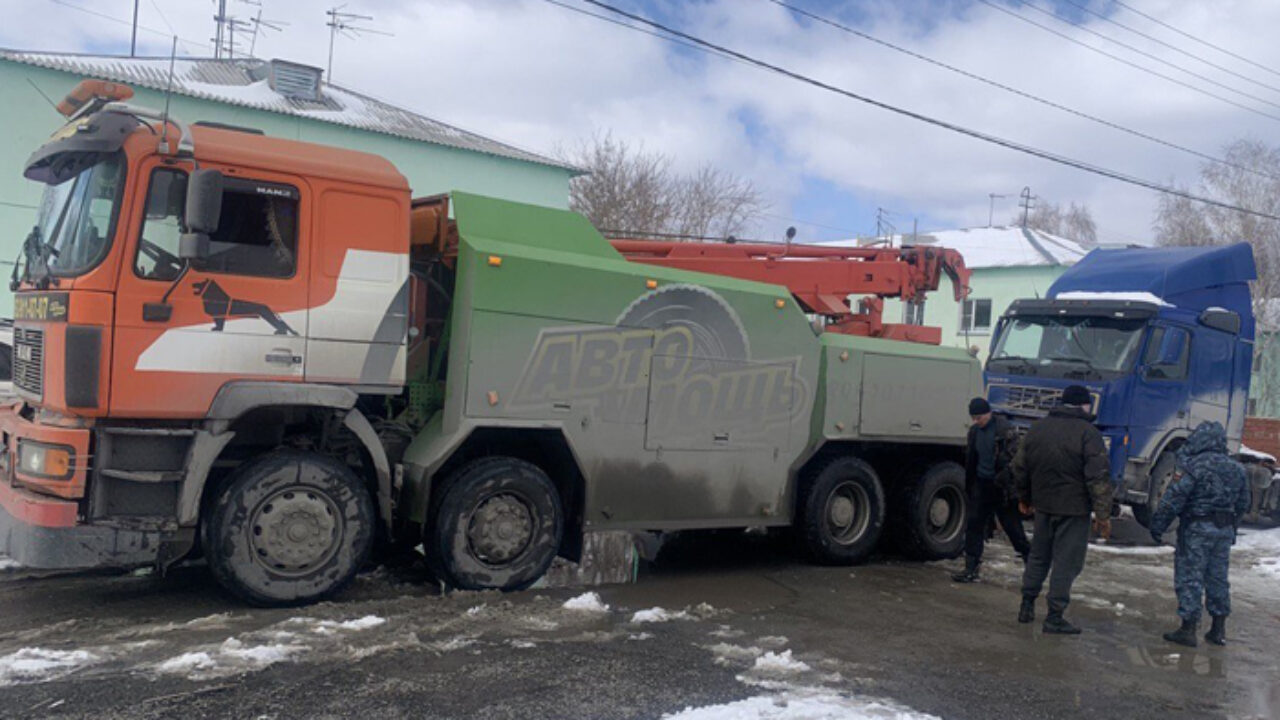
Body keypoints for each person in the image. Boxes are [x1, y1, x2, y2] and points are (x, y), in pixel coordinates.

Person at [1011, 385, 1113, 634]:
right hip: (1073, 509)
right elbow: (1098, 477)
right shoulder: (1088, 433)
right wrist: (1102, 515)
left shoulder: (1038, 428)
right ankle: (1054, 616)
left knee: (1038, 556)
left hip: (1043, 506)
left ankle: (1026, 606)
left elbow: (1020, 467)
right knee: (1066, 563)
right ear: (1083, 405)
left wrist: (1024, 497)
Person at [1149, 421, 1250, 648]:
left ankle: (1188, 629)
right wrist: (1232, 527)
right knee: (1217, 578)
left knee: (1190, 576)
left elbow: (1173, 499)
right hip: (1223, 531)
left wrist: (1158, 526)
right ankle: (1218, 628)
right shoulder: (1237, 469)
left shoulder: (1194, 466)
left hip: (1196, 529)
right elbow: (1244, 503)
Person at [952, 397, 1031, 583]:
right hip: (981, 483)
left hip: (1001, 487)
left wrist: (1006, 478)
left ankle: (1031, 561)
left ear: (988, 413)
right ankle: (971, 568)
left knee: (1012, 528)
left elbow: (1017, 460)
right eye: (973, 418)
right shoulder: (974, 433)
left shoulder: (1005, 431)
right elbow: (972, 459)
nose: (976, 421)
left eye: (979, 417)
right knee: (974, 526)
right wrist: (970, 484)